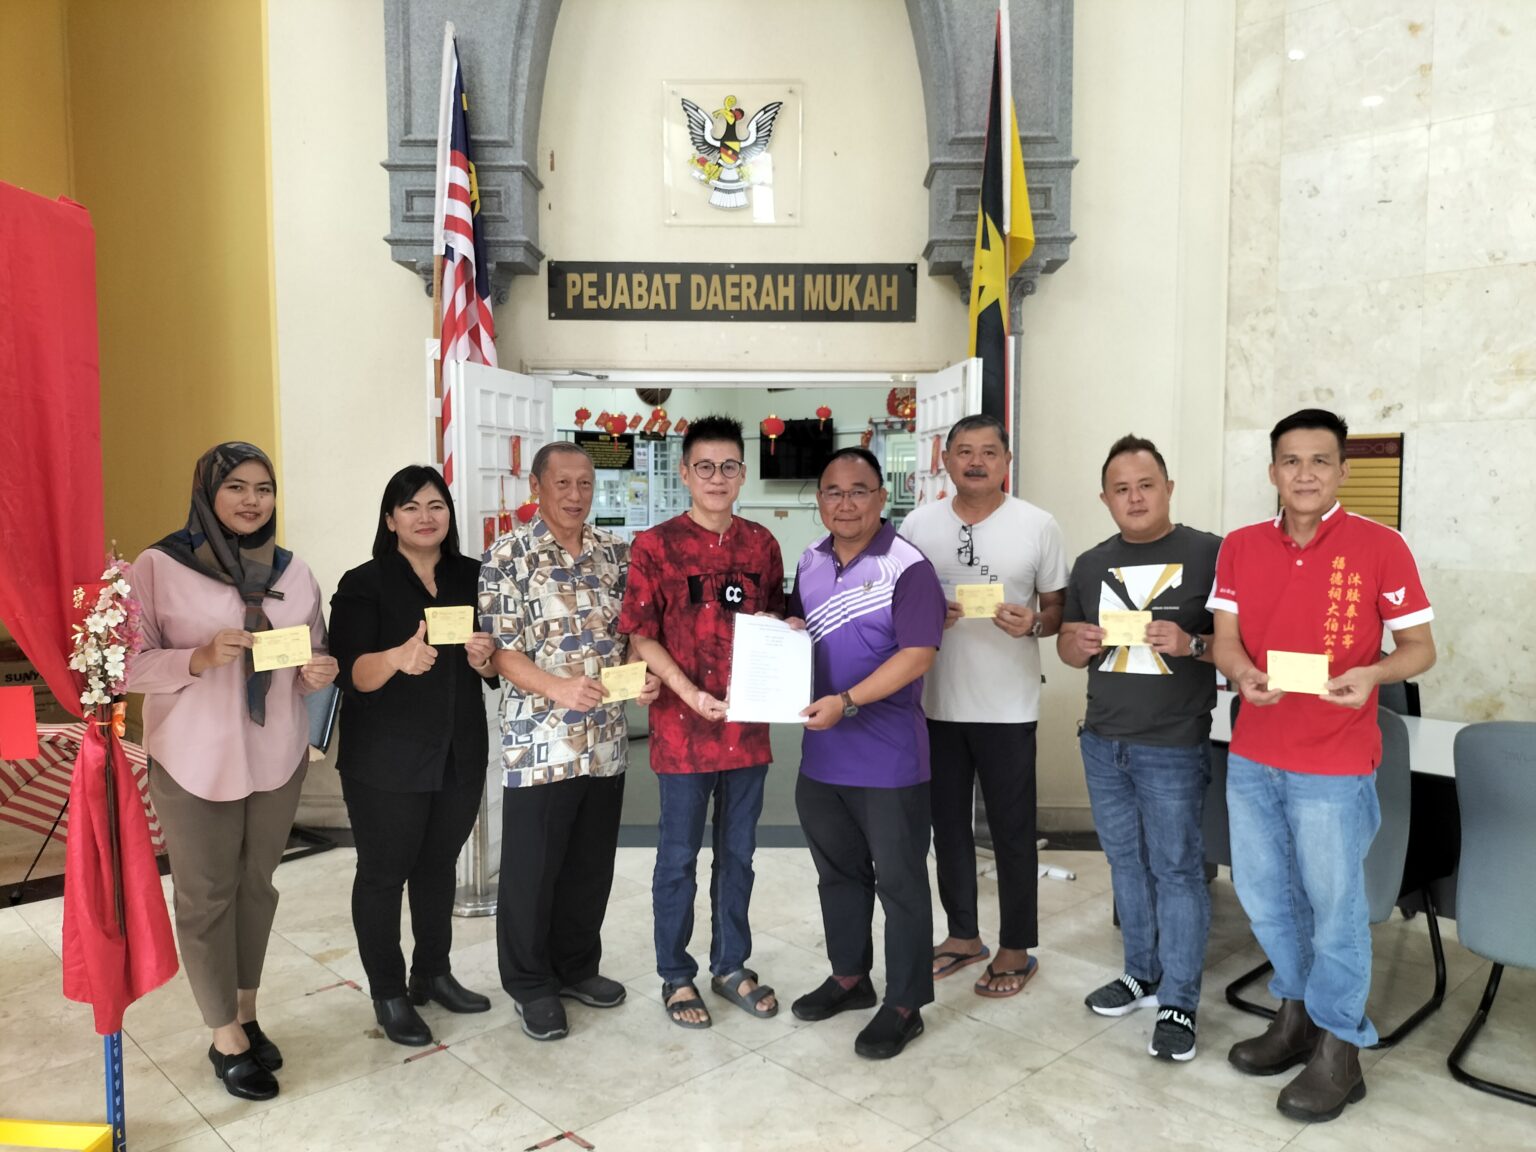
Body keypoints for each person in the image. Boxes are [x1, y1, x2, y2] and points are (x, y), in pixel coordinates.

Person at [1210, 409, 1435, 1122]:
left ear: (1341, 470)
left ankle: (1341, 1045)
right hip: (1254, 754)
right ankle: (1297, 1014)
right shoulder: (1241, 546)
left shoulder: (1381, 546)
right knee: (1266, 896)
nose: (1304, 474)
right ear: (1273, 471)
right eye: (1290, 460)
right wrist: (1243, 673)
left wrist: (1373, 673)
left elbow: (1421, 649)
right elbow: (1224, 640)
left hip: (1334, 764)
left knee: (1335, 910)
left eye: (1319, 460)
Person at [129, 442, 338, 1102]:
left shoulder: (293, 571)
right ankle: (223, 1036)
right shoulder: (158, 566)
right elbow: (125, 665)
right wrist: (195, 658)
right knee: (206, 894)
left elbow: (311, 655)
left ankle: (246, 1013)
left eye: (263, 488)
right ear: (207, 493)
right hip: (194, 758)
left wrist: (317, 673)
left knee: (256, 886)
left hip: (276, 755)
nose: (252, 500)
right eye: (237, 487)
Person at [479, 441, 659, 1041]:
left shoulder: (616, 553)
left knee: (589, 865)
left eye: (585, 483)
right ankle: (531, 984)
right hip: (541, 742)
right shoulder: (507, 555)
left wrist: (640, 676)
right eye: (563, 483)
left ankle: (577, 967)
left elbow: (632, 635)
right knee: (532, 870)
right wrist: (557, 688)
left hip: (605, 741)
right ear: (537, 487)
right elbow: (501, 651)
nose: (576, 495)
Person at [618, 416, 786, 1029]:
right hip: (682, 731)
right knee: (678, 857)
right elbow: (641, 633)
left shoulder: (762, 545)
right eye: (706, 467)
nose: (718, 478)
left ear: (743, 475)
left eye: (729, 467)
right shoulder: (655, 546)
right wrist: (688, 694)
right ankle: (675, 972)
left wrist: (785, 638)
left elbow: (775, 622)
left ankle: (730, 964)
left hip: (746, 731)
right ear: (686, 474)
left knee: (739, 855)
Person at [1057, 435, 1222, 1062]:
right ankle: (1140, 973)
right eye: (1121, 489)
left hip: (1173, 744)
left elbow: (1243, 646)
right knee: (1125, 864)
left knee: (1177, 870)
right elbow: (1067, 648)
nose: (1134, 497)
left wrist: (1192, 644)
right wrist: (1079, 643)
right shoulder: (1090, 564)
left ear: (1168, 488)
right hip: (1104, 742)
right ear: (1105, 498)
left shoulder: (1211, 554)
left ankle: (1179, 999)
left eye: (1146, 485)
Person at [896, 414, 1067, 997]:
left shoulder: (1037, 525)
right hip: (935, 703)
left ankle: (1016, 947)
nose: (976, 462)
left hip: (1008, 706)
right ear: (945, 460)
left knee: (1013, 832)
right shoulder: (918, 525)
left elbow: (1058, 609)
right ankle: (963, 936)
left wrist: (1034, 623)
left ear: (1006, 461)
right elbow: (896, 604)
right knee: (947, 829)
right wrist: (925, 616)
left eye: (989, 452)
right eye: (964, 451)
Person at [329, 465, 499, 1047]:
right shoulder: (364, 583)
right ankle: (389, 992)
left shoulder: (473, 576)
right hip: (386, 760)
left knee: (438, 866)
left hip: (459, 752)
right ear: (390, 520)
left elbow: (492, 663)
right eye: (411, 507)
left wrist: (485, 659)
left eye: (436, 506)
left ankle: (433, 972)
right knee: (383, 875)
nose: (425, 517)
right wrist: (396, 659)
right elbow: (351, 673)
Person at [788, 447, 945, 1059]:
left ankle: (905, 1003)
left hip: (889, 760)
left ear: (882, 497)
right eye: (833, 491)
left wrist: (847, 701)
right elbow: (801, 631)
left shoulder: (908, 566)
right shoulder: (809, 560)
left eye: (859, 491)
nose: (845, 503)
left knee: (900, 884)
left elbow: (918, 655)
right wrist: (788, 637)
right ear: (820, 500)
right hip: (821, 758)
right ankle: (850, 976)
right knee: (838, 875)